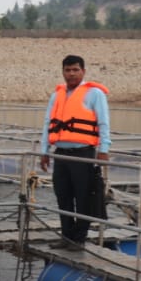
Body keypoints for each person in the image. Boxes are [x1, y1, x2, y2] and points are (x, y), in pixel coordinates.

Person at [39, 54, 111, 249]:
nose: (71, 74)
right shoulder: (57, 95)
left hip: (83, 153)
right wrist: (44, 151)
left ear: (83, 71)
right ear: (62, 72)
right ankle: (67, 236)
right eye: (67, 70)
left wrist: (103, 150)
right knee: (63, 196)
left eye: (75, 70)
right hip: (60, 153)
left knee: (83, 196)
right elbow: (47, 123)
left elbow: (103, 123)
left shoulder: (95, 94)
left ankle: (79, 238)